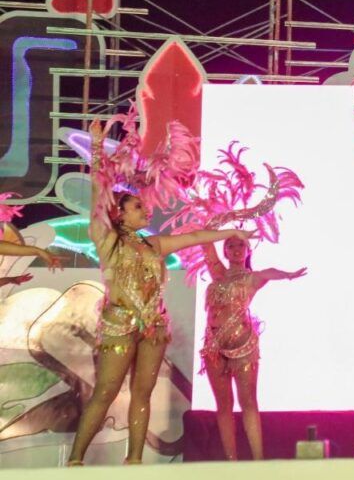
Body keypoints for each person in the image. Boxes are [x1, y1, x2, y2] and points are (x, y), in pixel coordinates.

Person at [67, 118, 251, 466]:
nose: (145, 209)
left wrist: (230, 233)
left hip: (154, 327)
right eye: (136, 207)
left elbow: (195, 238)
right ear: (119, 216)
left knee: (143, 393)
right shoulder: (107, 241)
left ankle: (134, 461)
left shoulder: (155, 244)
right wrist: (94, 147)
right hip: (119, 326)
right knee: (106, 391)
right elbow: (97, 195)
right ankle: (75, 461)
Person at [200, 238, 306, 461]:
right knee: (223, 405)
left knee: (248, 402)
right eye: (231, 245)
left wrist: (287, 275)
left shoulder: (251, 278)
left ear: (248, 250)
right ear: (225, 251)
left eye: (241, 246)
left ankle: (258, 462)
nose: (236, 250)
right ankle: (232, 463)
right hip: (213, 347)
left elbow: (269, 272)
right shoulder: (217, 273)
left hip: (243, 347)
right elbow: (206, 242)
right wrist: (217, 225)